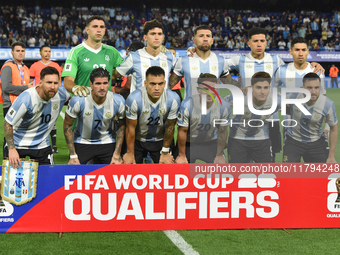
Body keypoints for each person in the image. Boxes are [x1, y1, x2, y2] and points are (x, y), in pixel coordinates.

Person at [226, 28, 323, 162]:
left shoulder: (276, 60)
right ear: (248, 43)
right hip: (244, 119)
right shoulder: (240, 60)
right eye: (255, 41)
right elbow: (219, 66)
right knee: (242, 162)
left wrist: (312, 65)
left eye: (262, 41)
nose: (259, 44)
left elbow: (292, 68)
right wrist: (234, 84)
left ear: (267, 42)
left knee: (269, 160)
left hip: (271, 119)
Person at [4, 66, 70, 168]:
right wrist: (11, 149)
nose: (52, 87)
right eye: (49, 83)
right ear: (40, 82)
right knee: (12, 181)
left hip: (42, 145)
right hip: (17, 144)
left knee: (48, 179)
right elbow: (8, 123)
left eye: (56, 83)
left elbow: (74, 102)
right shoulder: (26, 98)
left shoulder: (62, 95)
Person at [63, 68, 125, 164]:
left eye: (105, 83)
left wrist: (117, 153)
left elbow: (122, 125)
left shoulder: (118, 100)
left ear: (109, 84)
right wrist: (73, 155)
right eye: (98, 84)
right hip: (82, 142)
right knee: (73, 172)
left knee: (116, 174)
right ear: (91, 84)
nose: (102, 87)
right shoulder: (78, 100)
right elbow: (67, 126)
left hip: (107, 142)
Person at [123, 66, 180, 164]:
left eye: (160, 84)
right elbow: (130, 128)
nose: (157, 88)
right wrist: (130, 153)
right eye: (152, 84)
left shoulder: (173, 98)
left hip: (160, 140)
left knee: (168, 170)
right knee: (131, 170)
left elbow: (170, 127)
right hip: (137, 140)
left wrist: (165, 151)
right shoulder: (134, 99)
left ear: (165, 83)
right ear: (145, 83)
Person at [169, 25, 236, 99]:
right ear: (194, 40)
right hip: (190, 109)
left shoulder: (221, 61)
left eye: (208, 36)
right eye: (201, 36)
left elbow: (232, 85)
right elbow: (168, 86)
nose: (205, 39)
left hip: (214, 109)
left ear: (212, 41)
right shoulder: (183, 61)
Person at [176, 73, 231, 163]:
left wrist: (219, 155)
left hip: (211, 143)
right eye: (205, 89)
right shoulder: (187, 105)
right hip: (189, 144)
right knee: (179, 169)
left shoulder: (224, 106)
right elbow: (182, 131)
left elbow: (223, 131)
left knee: (220, 168)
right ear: (198, 90)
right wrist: (182, 155)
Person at [62, 15, 123, 96]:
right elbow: (67, 81)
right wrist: (76, 88)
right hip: (83, 103)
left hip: (106, 104)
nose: (98, 30)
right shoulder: (76, 52)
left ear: (105, 30)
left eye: (101, 27)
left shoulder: (112, 52)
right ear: (87, 30)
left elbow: (124, 71)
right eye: (95, 27)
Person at [283, 73, 338, 163]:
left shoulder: (327, 104)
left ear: (320, 88)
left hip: (316, 142)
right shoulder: (293, 97)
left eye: (316, 88)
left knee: (321, 175)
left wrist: (331, 156)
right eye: (309, 88)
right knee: (288, 174)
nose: (313, 91)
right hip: (293, 141)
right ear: (303, 88)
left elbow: (334, 129)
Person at [227, 72, 280, 163]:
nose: (262, 92)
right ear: (251, 88)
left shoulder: (276, 100)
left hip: (261, 139)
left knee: (268, 174)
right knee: (236, 174)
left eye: (265, 88)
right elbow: (219, 104)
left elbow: (294, 107)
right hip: (237, 139)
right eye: (258, 87)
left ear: (269, 88)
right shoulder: (239, 97)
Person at [113, 19, 176, 93]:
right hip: (139, 104)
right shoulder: (134, 57)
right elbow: (114, 75)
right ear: (145, 37)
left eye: (159, 34)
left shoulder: (169, 57)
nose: (156, 37)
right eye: (153, 34)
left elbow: (181, 71)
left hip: (163, 104)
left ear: (162, 37)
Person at [0, 42, 33, 158]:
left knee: (21, 135)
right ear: (12, 52)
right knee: (10, 135)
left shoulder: (26, 68)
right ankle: (7, 159)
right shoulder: (8, 67)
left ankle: (19, 159)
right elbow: (6, 87)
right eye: (18, 51)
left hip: (24, 105)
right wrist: (26, 88)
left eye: (22, 51)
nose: (20, 53)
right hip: (11, 105)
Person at [29, 45, 63, 153]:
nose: (48, 53)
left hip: (52, 97)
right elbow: (30, 82)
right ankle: (35, 141)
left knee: (51, 121)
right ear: (40, 53)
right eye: (45, 51)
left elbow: (59, 81)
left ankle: (54, 146)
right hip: (38, 98)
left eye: (49, 51)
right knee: (36, 119)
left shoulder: (56, 65)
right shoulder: (34, 66)